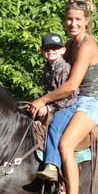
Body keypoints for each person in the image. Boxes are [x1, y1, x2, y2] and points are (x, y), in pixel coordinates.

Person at [27, 0, 98, 194]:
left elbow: (71, 85)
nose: (73, 24)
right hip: (71, 102)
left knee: (66, 145)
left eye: (78, 19)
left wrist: (43, 100)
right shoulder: (70, 45)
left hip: (89, 102)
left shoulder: (87, 46)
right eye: (69, 19)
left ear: (86, 20)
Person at [36, 32, 77, 182]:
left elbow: (69, 95)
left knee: (55, 128)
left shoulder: (64, 68)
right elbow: (48, 93)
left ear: (62, 50)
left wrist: (49, 108)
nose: (51, 51)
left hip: (68, 107)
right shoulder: (47, 70)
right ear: (43, 52)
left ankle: (52, 165)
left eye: (55, 48)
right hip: (54, 106)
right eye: (47, 48)